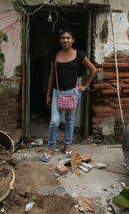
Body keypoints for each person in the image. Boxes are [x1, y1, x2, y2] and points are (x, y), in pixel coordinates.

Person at [41, 29, 96, 162]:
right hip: (57, 93)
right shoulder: (55, 56)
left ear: (73, 40)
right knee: (55, 121)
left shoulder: (79, 55)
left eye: (68, 38)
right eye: (63, 38)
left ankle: (67, 146)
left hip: (73, 93)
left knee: (70, 121)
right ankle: (51, 147)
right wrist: (48, 95)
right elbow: (51, 76)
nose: (66, 40)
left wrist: (85, 86)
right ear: (60, 40)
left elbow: (93, 70)